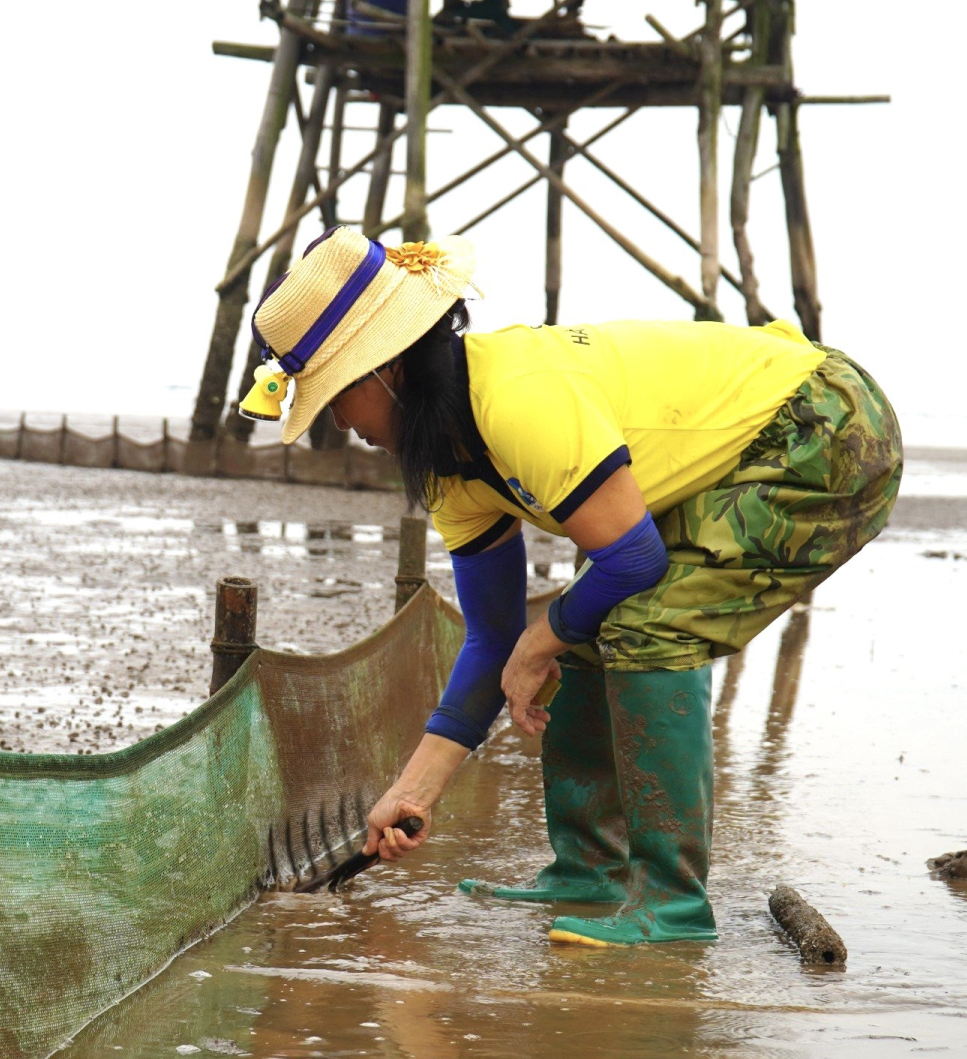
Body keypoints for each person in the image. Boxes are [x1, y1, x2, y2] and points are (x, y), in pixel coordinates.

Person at [237, 227, 901, 945]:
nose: (335, 422)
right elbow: (493, 638)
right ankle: (592, 870)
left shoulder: (519, 399)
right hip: (745, 448)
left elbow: (635, 562)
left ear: (385, 369)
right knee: (586, 619)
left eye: (335, 397)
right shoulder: (451, 466)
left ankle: (673, 906)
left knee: (644, 622)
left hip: (821, 427)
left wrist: (540, 642)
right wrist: (413, 791)